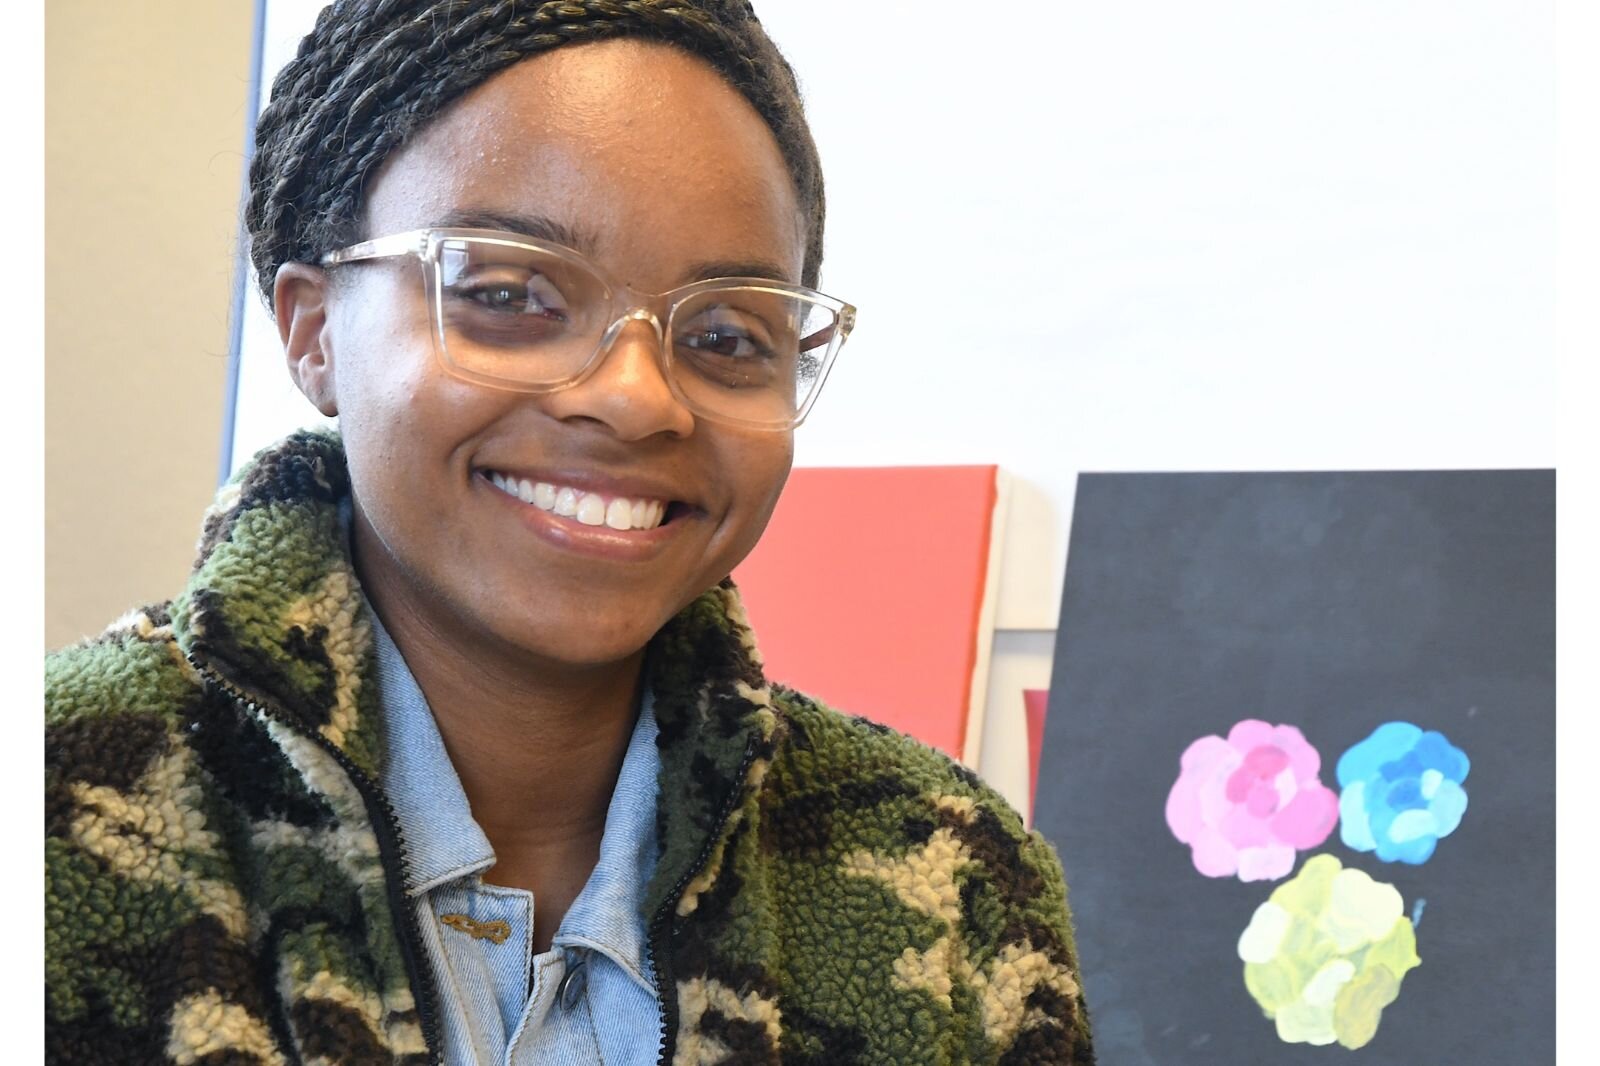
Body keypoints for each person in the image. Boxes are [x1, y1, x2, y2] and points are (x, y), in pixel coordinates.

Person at [44, 1, 1095, 1062]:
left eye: (728, 334)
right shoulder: (49, 812)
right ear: (314, 331)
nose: (638, 397)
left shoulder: (947, 875)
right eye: (508, 294)